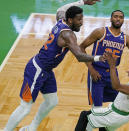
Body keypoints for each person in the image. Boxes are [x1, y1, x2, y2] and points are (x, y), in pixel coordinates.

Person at [4, 0, 102, 131]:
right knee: (25, 107)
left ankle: (31, 128)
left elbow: (61, 8)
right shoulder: (68, 35)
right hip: (37, 70)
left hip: (46, 70)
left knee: (52, 102)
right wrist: (99, 58)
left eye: (82, 18)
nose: (81, 22)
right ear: (71, 20)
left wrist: (83, 2)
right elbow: (79, 56)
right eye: (79, 19)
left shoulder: (61, 21)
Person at [75, 46, 129, 131]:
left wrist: (112, 66)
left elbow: (116, 86)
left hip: (115, 114)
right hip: (124, 115)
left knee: (85, 117)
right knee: (103, 128)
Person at [80, 10, 129, 108]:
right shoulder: (100, 32)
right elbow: (81, 47)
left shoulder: (126, 39)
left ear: (123, 20)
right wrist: (91, 69)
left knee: (118, 104)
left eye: (121, 17)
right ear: (110, 19)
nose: (118, 19)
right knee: (96, 108)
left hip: (112, 74)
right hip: (97, 72)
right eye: (116, 16)